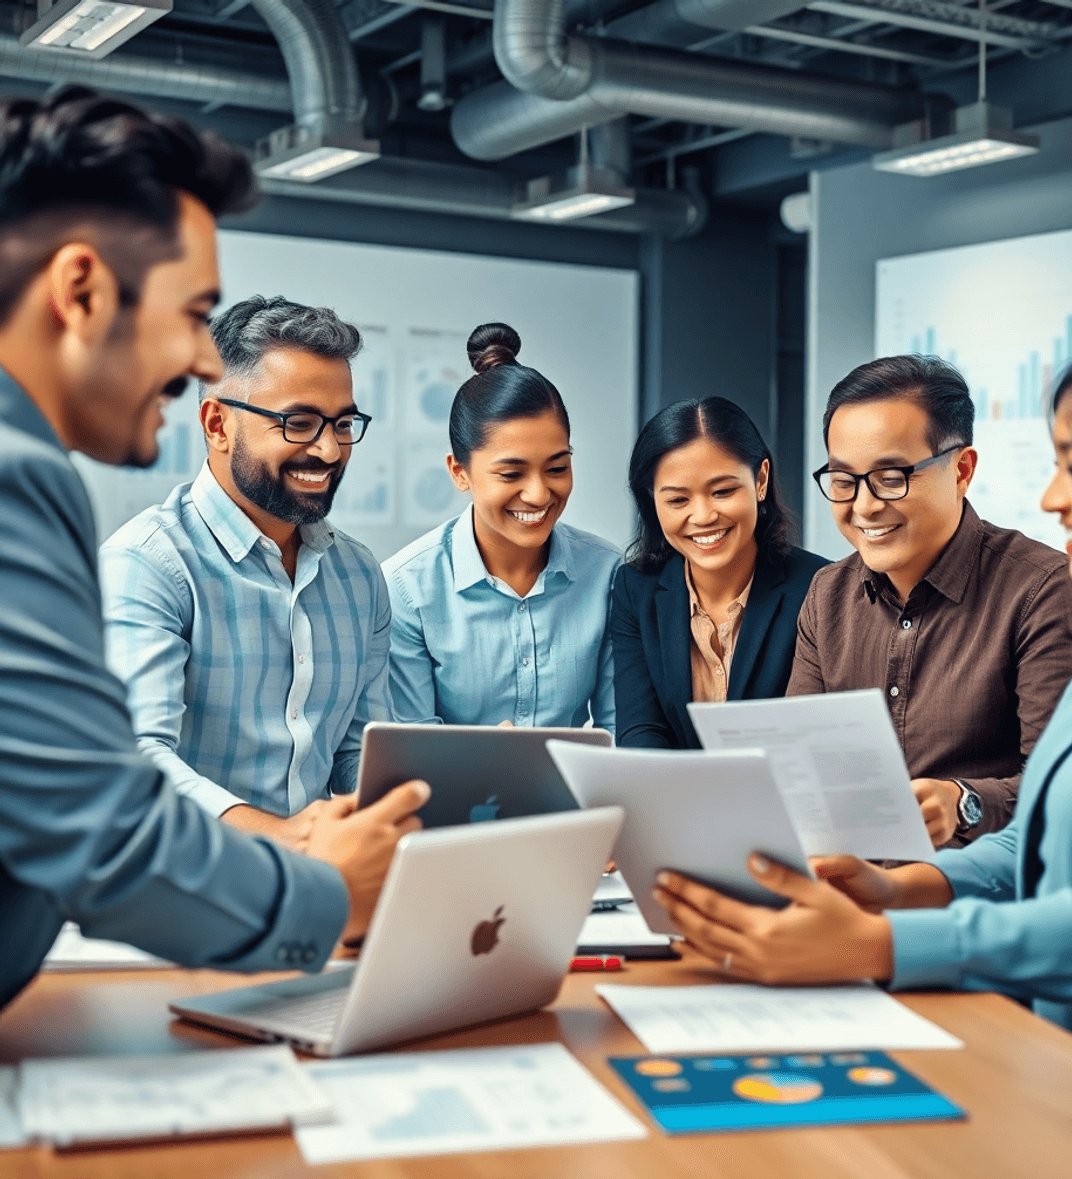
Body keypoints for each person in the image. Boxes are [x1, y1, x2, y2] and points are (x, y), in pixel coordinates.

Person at [655, 321, 1072, 1098]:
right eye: (843, 478)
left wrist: (883, 942)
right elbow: (1038, 846)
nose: (1052, 498)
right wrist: (902, 892)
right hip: (1055, 1043)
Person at [0, 87, 426, 1011]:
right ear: (80, 290)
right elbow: (100, 831)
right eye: (192, 313)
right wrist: (327, 892)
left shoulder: (354, 573)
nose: (201, 355)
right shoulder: (22, 478)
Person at [100, 296, 389, 853]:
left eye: (343, 423)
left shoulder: (358, 576)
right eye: (299, 422)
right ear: (217, 424)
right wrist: (284, 841)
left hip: (317, 890)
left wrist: (435, 795)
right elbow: (139, 760)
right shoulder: (150, 564)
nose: (329, 449)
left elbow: (359, 756)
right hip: (185, 887)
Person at [788, 355, 1072, 847]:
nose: (864, 506)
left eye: (891, 477)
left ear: (962, 470)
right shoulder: (827, 595)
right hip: (846, 887)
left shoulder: (1043, 591)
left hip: (977, 900)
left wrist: (964, 801)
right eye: (844, 481)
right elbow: (800, 770)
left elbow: (1063, 790)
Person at [384, 323, 619, 730]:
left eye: (557, 467)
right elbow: (413, 750)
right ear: (459, 472)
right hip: (452, 795)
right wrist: (490, 765)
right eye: (511, 474)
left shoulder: (608, 575)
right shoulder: (408, 589)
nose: (538, 494)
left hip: (579, 795)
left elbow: (620, 731)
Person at [611, 396, 826, 748]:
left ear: (760, 480)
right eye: (678, 500)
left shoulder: (819, 587)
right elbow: (641, 729)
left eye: (722, 491)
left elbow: (814, 739)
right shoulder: (635, 589)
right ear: (652, 501)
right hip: (674, 798)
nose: (703, 516)